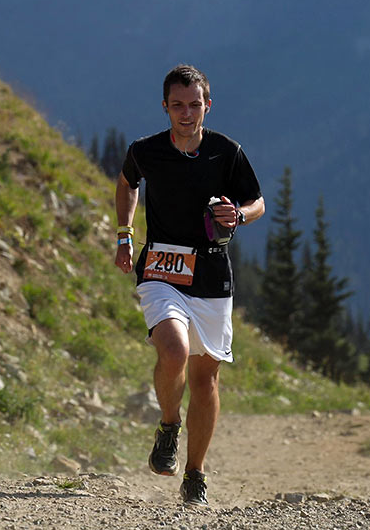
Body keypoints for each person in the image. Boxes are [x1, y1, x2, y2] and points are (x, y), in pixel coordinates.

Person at [114, 64, 264, 506]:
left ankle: (195, 472)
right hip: (161, 269)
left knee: (205, 379)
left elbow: (257, 202)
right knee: (174, 350)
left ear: (207, 105)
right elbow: (126, 183)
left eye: (194, 104)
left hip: (212, 275)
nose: (186, 113)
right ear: (165, 107)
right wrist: (124, 235)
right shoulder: (146, 150)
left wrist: (238, 215)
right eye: (177, 105)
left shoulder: (226, 152)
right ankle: (167, 424)